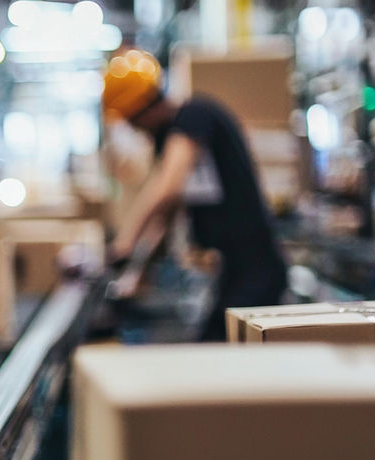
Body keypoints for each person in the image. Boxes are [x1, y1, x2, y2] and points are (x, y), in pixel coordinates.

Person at [103, 48, 287, 341]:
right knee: (211, 346)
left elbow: (167, 188)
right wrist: (137, 268)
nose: (135, 131)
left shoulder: (194, 116)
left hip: (256, 270)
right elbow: (168, 213)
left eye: (132, 122)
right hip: (230, 270)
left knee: (220, 355)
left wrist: (126, 240)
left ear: (142, 110)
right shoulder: (171, 137)